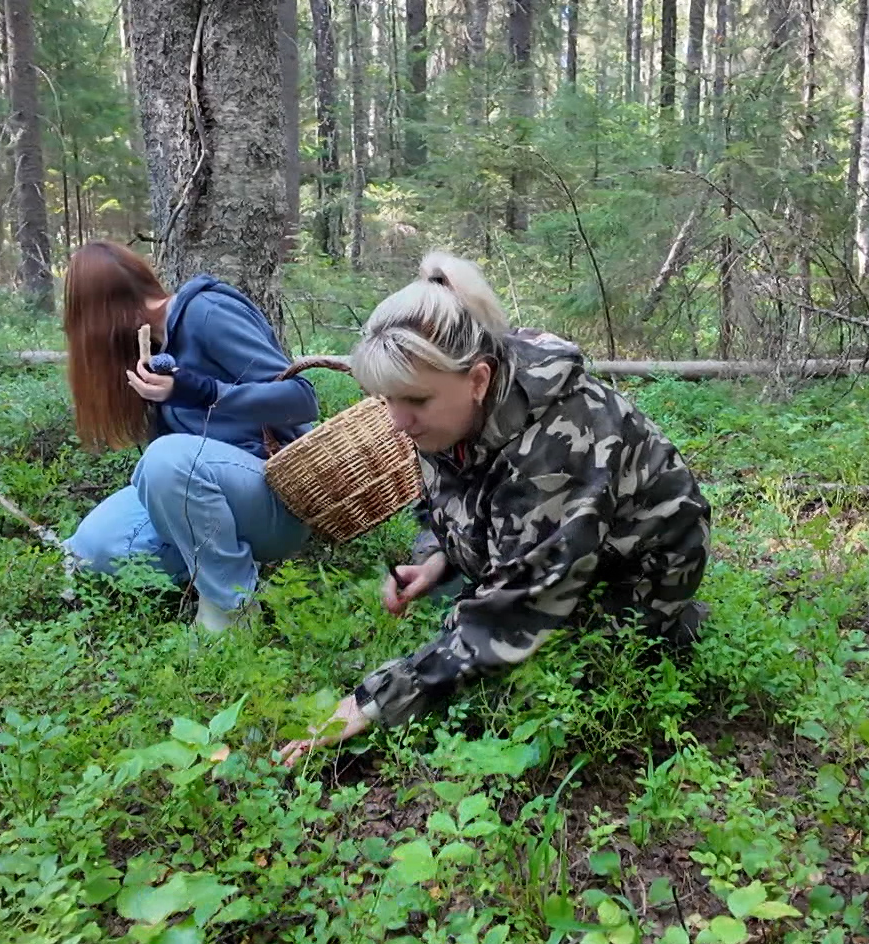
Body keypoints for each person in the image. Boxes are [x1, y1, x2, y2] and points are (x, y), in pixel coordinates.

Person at [278, 252, 711, 766]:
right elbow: (447, 494)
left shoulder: (553, 444)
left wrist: (370, 703)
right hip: (548, 551)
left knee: (523, 701)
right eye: (385, 400)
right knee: (469, 653)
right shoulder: (446, 395)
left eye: (413, 401)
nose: (398, 422)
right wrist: (436, 556)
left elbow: (513, 612)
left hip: (637, 567)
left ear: (479, 380)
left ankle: (669, 624)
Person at [61, 239, 319, 632]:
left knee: (167, 459)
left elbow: (301, 400)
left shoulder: (206, 312)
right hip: (208, 492)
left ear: (98, 314)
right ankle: (222, 563)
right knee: (93, 549)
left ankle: (230, 609)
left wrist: (201, 390)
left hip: (277, 497)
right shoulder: (148, 347)